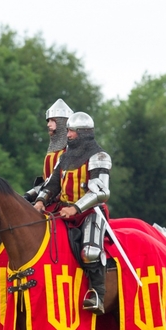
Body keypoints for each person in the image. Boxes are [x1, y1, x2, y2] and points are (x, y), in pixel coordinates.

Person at [34, 112, 111, 315]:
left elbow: (101, 192)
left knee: (90, 252)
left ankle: (97, 294)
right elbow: (52, 183)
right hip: (64, 211)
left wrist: (76, 208)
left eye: (71, 131)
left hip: (90, 212)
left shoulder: (99, 157)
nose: (67, 134)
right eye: (67, 130)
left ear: (83, 133)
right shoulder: (65, 157)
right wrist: (41, 201)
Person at [24, 98, 72, 202]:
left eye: (52, 121)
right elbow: (46, 182)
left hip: (66, 203)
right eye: (48, 121)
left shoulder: (70, 152)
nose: (48, 124)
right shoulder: (51, 152)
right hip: (47, 199)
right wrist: (28, 195)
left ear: (62, 123)